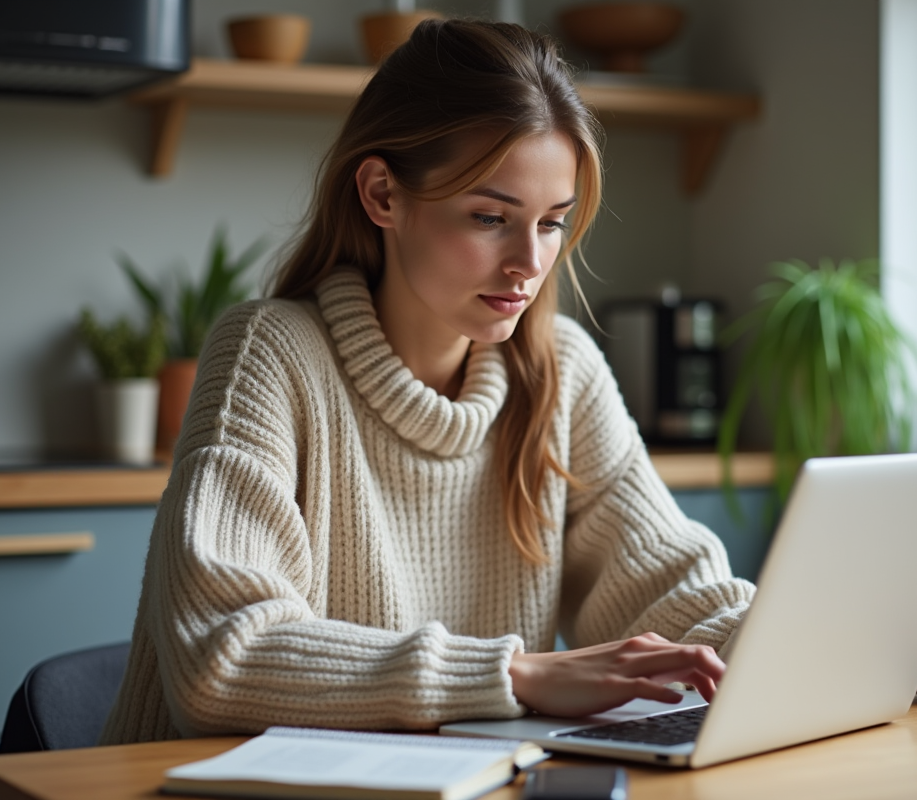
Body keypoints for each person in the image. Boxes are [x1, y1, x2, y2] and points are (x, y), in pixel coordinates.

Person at [100, 19, 755, 745]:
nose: (528, 265)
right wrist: (514, 677)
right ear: (382, 194)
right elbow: (219, 661)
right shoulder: (271, 354)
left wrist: (835, 640)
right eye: (489, 217)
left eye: (551, 223)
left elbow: (675, 591)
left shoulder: (560, 369)